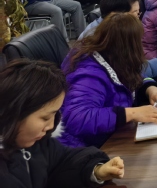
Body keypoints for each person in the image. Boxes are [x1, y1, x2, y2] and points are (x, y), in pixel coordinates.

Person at [0, 59, 125, 187]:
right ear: (15, 113)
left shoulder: (40, 144)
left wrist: (96, 170)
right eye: (45, 118)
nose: (50, 126)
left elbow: (65, 161)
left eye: (55, 115)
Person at [58, 13, 157, 148]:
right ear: (127, 48)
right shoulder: (89, 75)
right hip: (84, 148)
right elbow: (77, 118)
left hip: (109, 137)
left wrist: (151, 90)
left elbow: (133, 76)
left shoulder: (113, 58)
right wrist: (131, 113)